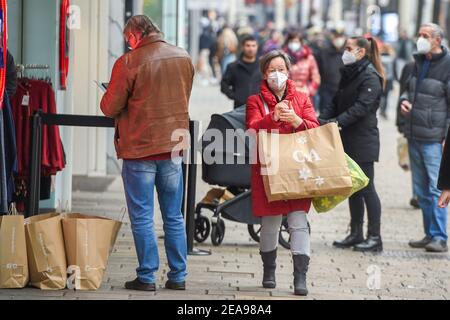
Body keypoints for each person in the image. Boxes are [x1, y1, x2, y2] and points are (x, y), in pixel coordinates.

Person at [100, 15, 195, 291]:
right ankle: (178, 276)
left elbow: (109, 107)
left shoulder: (129, 62)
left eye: (128, 39)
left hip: (140, 147)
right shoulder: (182, 57)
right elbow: (182, 95)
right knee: (174, 215)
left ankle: (147, 276)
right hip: (172, 147)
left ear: (136, 34)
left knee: (142, 216)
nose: (128, 44)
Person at [246, 50, 320, 296]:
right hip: (269, 170)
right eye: (271, 70)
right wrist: (273, 118)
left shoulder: (301, 98)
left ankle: (301, 277)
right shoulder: (255, 101)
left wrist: (297, 120)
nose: (276, 74)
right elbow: (251, 131)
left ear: (288, 72)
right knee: (270, 223)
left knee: (299, 222)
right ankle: (269, 270)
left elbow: (314, 128)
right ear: (264, 74)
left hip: (298, 168)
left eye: (281, 69)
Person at [320, 36, 385, 253]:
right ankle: (356, 233)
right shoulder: (349, 73)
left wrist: (335, 122)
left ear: (361, 52)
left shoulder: (370, 77)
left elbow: (361, 108)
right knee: (353, 187)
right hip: (346, 139)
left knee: (367, 188)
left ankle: (375, 237)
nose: (344, 52)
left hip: (363, 141)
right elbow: (336, 101)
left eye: (349, 48)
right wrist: (321, 119)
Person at [400, 23, 450, 253]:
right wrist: (404, 101)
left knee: (435, 188)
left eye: (425, 35)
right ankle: (429, 233)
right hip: (414, 134)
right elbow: (407, 90)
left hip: (434, 137)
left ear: (437, 40)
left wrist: (446, 137)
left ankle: (440, 236)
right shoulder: (416, 62)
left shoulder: (447, 66)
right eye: (419, 34)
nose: (420, 38)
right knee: (421, 191)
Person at [396, 61, 420, 210]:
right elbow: (402, 94)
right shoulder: (410, 66)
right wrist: (400, 121)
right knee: (416, 164)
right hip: (411, 125)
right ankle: (417, 195)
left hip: (436, 130)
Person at [221, 35, 262, 108]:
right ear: (242, 47)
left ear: (257, 47)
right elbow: (224, 85)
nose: (251, 49)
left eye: (253, 46)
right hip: (239, 107)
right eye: (248, 46)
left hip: (259, 107)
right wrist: (234, 96)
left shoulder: (262, 66)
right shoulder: (233, 66)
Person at [282, 32, 321, 106]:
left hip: (305, 96)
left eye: (296, 42)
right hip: (286, 97)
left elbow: (316, 77)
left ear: (301, 43)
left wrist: (309, 91)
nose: (293, 44)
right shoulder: (283, 57)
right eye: (291, 41)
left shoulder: (309, 58)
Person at [317, 31, 345, 114]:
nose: (338, 40)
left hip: (342, 90)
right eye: (336, 37)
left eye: (340, 37)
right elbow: (318, 70)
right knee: (325, 115)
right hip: (326, 89)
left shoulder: (346, 53)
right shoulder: (324, 52)